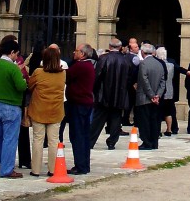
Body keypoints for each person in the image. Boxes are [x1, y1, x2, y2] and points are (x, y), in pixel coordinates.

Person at [0, 39, 28, 179]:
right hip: (11, 106)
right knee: (9, 139)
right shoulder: (12, 68)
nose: (17, 56)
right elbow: (21, 86)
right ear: (12, 52)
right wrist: (22, 78)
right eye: (16, 54)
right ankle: (7, 169)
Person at [27, 46, 66, 177]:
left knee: (38, 139)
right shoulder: (63, 73)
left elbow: (30, 85)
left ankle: (36, 169)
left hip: (39, 109)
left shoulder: (38, 72)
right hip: (56, 110)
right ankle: (53, 169)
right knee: (54, 140)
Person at [89, 38, 131, 150]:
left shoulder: (103, 58)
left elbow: (97, 76)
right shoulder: (125, 60)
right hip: (120, 94)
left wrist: (94, 90)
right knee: (116, 119)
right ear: (120, 47)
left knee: (98, 119)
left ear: (110, 46)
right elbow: (129, 78)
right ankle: (112, 142)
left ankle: (90, 141)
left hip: (104, 94)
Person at [65, 43, 95, 175]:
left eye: (76, 51)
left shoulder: (80, 66)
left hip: (78, 103)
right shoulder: (89, 65)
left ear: (83, 54)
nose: (74, 53)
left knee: (77, 135)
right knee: (83, 134)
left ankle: (80, 165)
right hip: (85, 103)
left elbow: (66, 76)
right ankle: (84, 164)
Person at [134, 43, 166, 150]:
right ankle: (154, 142)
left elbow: (144, 80)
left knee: (145, 122)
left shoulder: (143, 64)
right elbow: (163, 81)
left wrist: (151, 95)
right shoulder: (159, 64)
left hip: (144, 98)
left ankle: (147, 142)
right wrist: (158, 95)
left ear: (142, 52)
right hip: (156, 99)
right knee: (154, 121)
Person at [155, 46, 175, 136]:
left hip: (160, 91)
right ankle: (169, 129)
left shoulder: (158, 65)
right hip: (169, 91)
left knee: (158, 112)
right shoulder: (171, 65)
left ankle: (158, 130)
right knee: (168, 112)